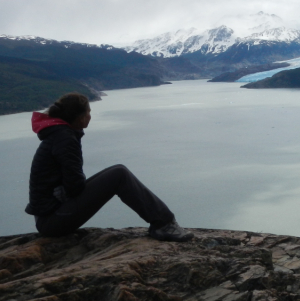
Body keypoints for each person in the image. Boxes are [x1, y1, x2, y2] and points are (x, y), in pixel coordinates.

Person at [24, 92, 193, 242]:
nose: (90, 116)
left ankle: (163, 223)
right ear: (78, 116)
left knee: (118, 171)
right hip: (53, 221)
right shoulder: (65, 138)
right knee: (119, 174)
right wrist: (71, 190)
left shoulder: (59, 134)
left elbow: (70, 184)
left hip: (48, 217)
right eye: (88, 112)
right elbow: (75, 187)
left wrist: (67, 190)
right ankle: (163, 224)